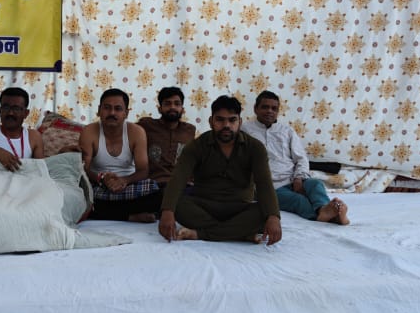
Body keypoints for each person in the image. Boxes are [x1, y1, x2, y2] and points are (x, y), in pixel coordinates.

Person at [158, 95, 282, 244]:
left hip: (239, 207)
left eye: (232, 120)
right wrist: (167, 211)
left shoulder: (255, 148)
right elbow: (178, 178)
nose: (226, 125)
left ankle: (200, 234)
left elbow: (264, 184)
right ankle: (240, 233)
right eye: (220, 120)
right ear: (211, 121)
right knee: (176, 204)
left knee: (265, 213)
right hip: (204, 206)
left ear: (240, 122)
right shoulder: (196, 146)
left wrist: (274, 216)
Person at [241, 90, 350, 225]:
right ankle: (329, 217)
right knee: (298, 200)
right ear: (255, 109)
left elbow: (301, 158)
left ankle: (324, 210)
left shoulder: (287, 131)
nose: (269, 111)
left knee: (316, 184)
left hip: (292, 180)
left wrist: (299, 178)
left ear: (278, 111)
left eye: (274, 108)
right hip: (268, 187)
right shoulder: (245, 131)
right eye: (265, 107)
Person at [80, 88, 162, 222]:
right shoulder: (89, 131)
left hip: (127, 185)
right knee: (79, 196)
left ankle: (109, 213)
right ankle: (128, 216)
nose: (112, 113)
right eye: (107, 108)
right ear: (99, 110)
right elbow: (83, 168)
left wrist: (124, 181)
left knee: (155, 191)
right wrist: (102, 179)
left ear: (126, 113)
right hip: (98, 186)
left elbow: (143, 171)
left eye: (118, 109)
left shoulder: (137, 132)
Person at [136, 86, 197, 187]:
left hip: (183, 185)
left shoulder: (189, 130)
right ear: (160, 109)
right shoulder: (146, 125)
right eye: (167, 103)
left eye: (177, 104)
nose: (172, 107)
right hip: (154, 185)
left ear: (182, 109)